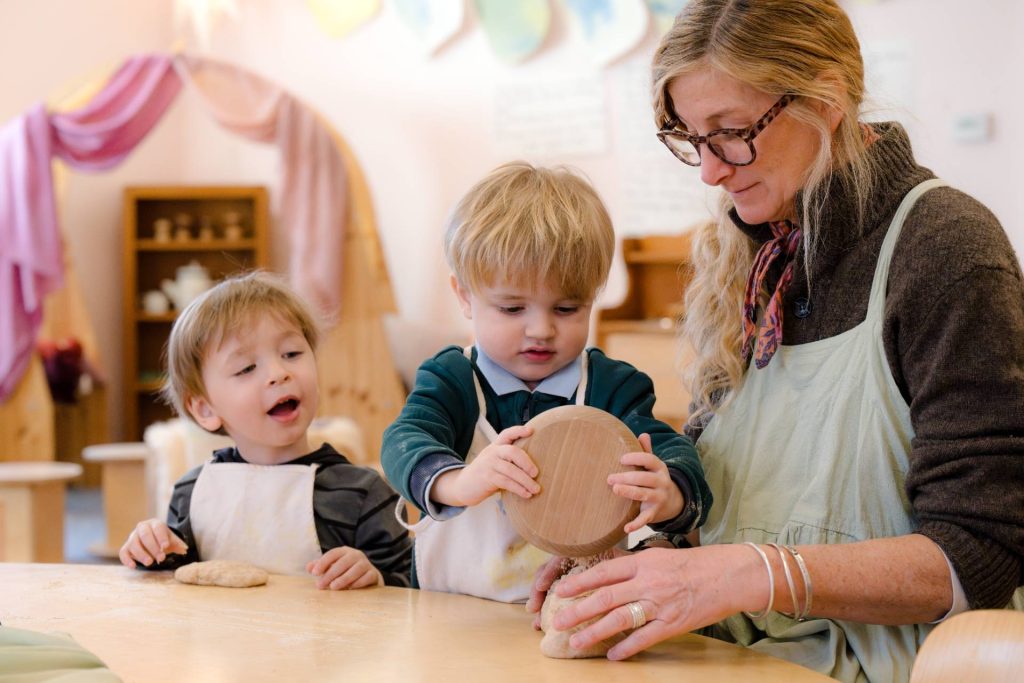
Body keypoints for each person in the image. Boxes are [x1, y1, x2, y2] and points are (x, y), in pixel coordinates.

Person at [526, 1, 1024, 680]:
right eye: (691, 139)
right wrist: (641, 553)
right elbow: (726, 504)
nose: (710, 171)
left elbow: (978, 554)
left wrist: (754, 573)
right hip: (730, 655)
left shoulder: (945, 250)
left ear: (826, 99)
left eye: (732, 132)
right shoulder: (743, 260)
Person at [380, 161, 712, 603]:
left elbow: (672, 452)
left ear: (592, 298)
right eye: (513, 309)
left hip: (573, 608)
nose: (541, 330)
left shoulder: (613, 388)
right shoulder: (451, 380)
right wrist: (458, 482)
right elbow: (403, 441)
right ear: (465, 296)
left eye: (566, 309)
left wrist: (669, 492)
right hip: (450, 612)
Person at [119, 271, 412, 589]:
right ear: (205, 409)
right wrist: (151, 549)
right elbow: (178, 583)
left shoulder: (364, 493)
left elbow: (414, 592)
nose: (278, 373)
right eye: (246, 368)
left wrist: (375, 577)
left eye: (292, 354)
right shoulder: (193, 493)